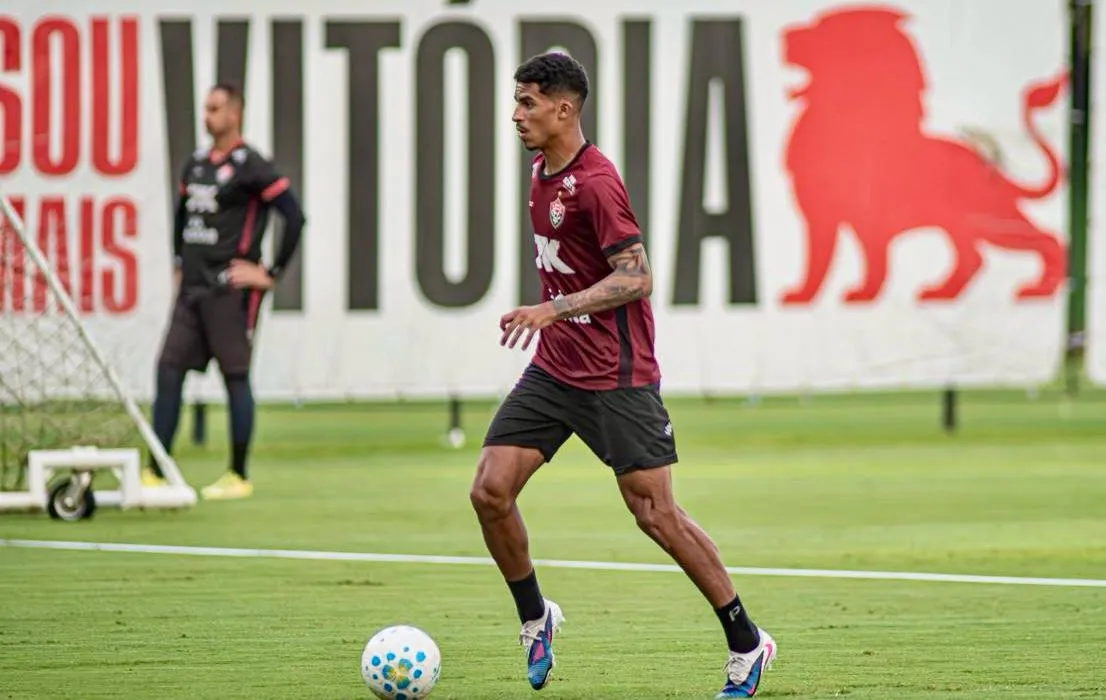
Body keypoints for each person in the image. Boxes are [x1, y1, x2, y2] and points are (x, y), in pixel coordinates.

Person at [469, 53, 776, 698]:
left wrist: (552, 308)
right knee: (490, 491)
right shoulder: (538, 172)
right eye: (517, 101)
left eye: (527, 103)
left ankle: (747, 641)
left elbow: (637, 278)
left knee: (656, 515)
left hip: (617, 376)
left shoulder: (598, 183)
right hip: (556, 371)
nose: (516, 114)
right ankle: (536, 618)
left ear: (565, 109)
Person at [143, 82, 306, 501]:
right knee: (167, 370)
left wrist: (268, 272)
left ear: (234, 114)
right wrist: (179, 264)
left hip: (229, 292)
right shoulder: (195, 164)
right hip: (191, 291)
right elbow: (182, 219)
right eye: (205, 108)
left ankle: (238, 473)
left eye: (215, 108)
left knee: (235, 376)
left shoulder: (252, 165)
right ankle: (156, 469)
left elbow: (294, 216)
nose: (207, 116)